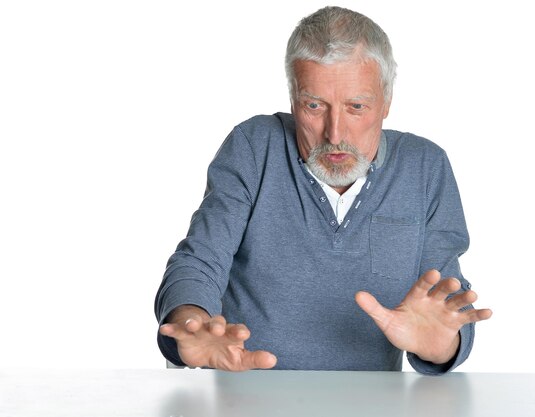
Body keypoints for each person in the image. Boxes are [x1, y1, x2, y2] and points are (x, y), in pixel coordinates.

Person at [155, 6, 492, 374]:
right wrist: (192, 322)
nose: (335, 134)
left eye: (356, 107)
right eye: (314, 105)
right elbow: (200, 260)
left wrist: (442, 345)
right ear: (293, 99)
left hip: (371, 405)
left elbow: (445, 300)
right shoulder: (254, 146)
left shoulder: (424, 167)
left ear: (387, 102)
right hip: (246, 398)